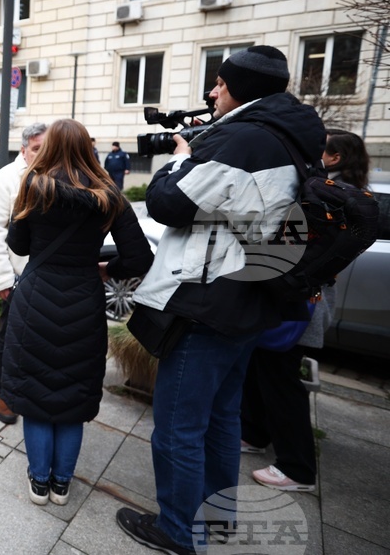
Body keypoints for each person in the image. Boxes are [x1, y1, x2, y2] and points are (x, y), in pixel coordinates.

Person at [116, 45, 326, 555]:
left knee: (178, 427)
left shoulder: (246, 139)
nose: (212, 92)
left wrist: (179, 160)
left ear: (242, 88)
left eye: (219, 83)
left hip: (209, 302)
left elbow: (168, 203)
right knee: (221, 418)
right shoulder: (292, 136)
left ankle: (178, 530)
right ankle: (218, 517)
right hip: (250, 298)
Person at [2, 119, 153, 507]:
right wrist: (107, 268)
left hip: (35, 299)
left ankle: (38, 482)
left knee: (35, 391)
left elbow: (18, 247)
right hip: (85, 300)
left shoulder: (32, 187)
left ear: (49, 146)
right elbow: (140, 258)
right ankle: (62, 483)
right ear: (88, 148)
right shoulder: (109, 194)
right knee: (72, 396)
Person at [240, 128, 370, 493]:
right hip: (297, 301)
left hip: (300, 304)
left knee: (282, 382)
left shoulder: (331, 198)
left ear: (335, 158)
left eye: (320, 148)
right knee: (261, 370)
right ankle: (252, 433)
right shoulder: (339, 193)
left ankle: (297, 468)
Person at [0, 123, 47, 425]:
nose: (41, 154)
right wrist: (3, 280)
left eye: (46, 148)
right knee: (10, 340)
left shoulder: (55, 176)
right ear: (23, 149)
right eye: (36, 148)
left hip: (47, 280)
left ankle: (29, 391)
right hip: (17, 280)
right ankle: (4, 396)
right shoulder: (5, 179)